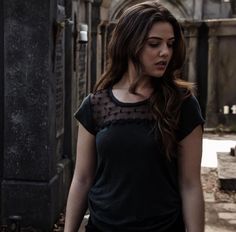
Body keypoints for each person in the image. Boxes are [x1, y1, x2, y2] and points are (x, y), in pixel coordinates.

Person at [64, 1, 205, 231]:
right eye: (154, 44)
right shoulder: (96, 105)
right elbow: (82, 179)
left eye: (170, 44)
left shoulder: (182, 104)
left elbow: (190, 185)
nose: (165, 52)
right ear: (130, 43)